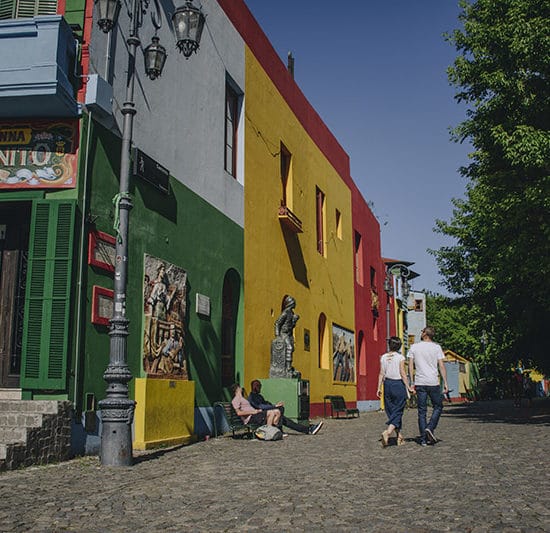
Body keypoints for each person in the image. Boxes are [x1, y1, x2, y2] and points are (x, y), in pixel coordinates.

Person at [407, 326, 449, 446]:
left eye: (422, 331)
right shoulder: (437, 347)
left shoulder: (414, 347)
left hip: (420, 382)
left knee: (422, 411)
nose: (421, 332)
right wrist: (445, 382)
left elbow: (410, 365)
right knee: (438, 406)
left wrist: (411, 382)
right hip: (433, 382)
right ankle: (430, 427)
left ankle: (423, 439)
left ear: (425, 334)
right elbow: (441, 366)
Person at [248, 379, 323, 435]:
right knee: (280, 410)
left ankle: (308, 429)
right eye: (258, 386)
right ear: (254, 387)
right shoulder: (252, 397)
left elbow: (265, 404)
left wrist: (272, 405)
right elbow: (259, 406)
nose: (260, 387)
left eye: (260, 386)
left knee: (288, 421)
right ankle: (280, 429)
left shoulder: (259, 396)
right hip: (261, 417)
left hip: (268, 414)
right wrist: (274, 406)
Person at [377, 336, 413, 447]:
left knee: (392, 411)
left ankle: (399, 437)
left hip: (387, 384)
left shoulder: (383, 357)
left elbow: (381, 373)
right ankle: (387, 432)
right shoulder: (400, 358)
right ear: (399, 346)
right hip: (398, 385)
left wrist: (378, 388)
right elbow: (402, 373)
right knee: (398, 410)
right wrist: (408, 386)